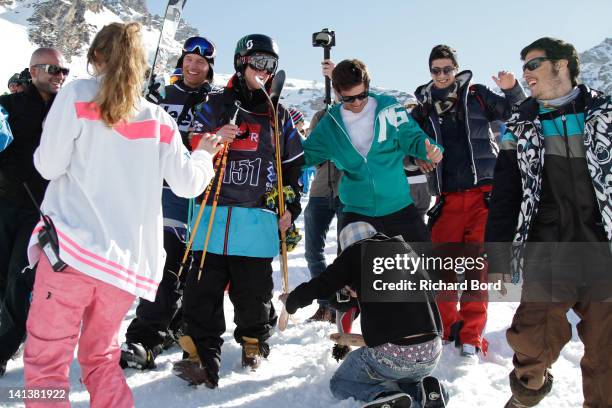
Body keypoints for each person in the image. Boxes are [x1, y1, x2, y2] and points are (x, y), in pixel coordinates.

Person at [22, 22, 219, 406]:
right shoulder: (159, 120)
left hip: (70, 255)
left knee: (47, 363)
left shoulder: (78, 94)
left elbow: (47, 166)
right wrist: (204, 154)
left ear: (96, 57)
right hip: (122, 268)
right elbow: (188, 185)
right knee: (100, 360)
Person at [485, 37, 612, 408]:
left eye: (533, 64)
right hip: (549, 250)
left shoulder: (605, 113)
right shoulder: (521, 124)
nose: (526, 73)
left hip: (601, 249)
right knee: (532, 336)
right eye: (523, 65)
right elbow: (506, 195)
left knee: (607, 349)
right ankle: (526, 394)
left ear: (562, 65)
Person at [173, 34, 304, 389]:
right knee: (202, 289)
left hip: (256, 218)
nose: (264, 70)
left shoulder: (280, 115)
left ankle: (252, 340)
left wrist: (290, 204)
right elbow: (193, 146)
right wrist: (214, 138)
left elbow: (294, 167)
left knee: (252, 292)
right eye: (258, 61)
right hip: (211, 214)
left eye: (270, 64)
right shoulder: (217, 105)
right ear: (241, 62)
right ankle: (199, 352)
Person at [411, 44, 526, 357]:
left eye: (448, 69)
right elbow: (407, 144)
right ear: (430, 72)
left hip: (482, 195)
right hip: (446, 197)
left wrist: (512, 89)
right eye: (436, 70)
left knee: (477, 268)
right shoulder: (422, 106)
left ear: (456, 68)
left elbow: (518, 112)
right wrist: (417, 154)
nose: (443, 75)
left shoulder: (476, 95)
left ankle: (472, 337)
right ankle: (448, 331)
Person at [121, 35, 218, 370]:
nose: (194, 65)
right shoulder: (162, 95)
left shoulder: (216, 101)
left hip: (201, 197)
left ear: (209, 68)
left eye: (201, 62)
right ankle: (144, 338)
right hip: (161, 194)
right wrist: (141, 102)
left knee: (190, 273)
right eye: (189, 59)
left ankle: (174, 326)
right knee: (163, 269)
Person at [280, 222, 448, 408]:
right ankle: (427, 391)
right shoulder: (405, 250)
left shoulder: (355, 253)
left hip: (393, 356)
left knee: (340, 383)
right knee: (406, 375)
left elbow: (320, 285)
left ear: (348, 246)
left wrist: (292, 301)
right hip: (432, 351)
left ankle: (383, 397)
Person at [303, 58, 442, 243]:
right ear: (338, 93)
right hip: (357, 211)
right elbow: (304, 155)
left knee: (426, 268)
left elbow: (413, 137)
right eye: (349, 98)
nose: (358, 103)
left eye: (362, 95)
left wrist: (432, 150)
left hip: (399, 207)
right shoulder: (330, 124)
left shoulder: (389, 108)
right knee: (353, 270)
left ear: (368, 85)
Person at [0, 48, 68, 377]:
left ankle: (2, 348)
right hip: (3, 202)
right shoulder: (8, 106)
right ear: (33, 70)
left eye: (64, 70)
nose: (59, 75)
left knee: (19, 278)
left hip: (41, 210)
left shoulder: (68, 111)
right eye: (52, 68)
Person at [302, 60, 344, 323]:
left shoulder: (357, 117)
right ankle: (325, 303)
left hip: (346, 191)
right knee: (312, 250)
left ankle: (343, 303)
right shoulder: (320, 116)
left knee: (344, 252)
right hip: (319, 190)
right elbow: (313, 151)